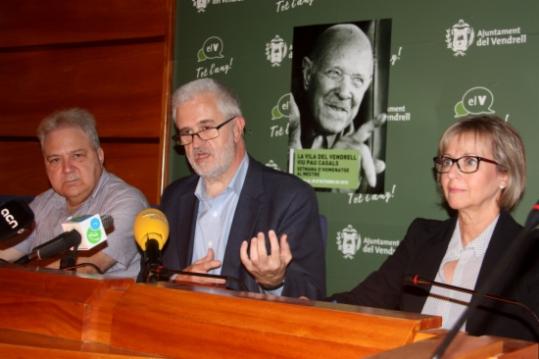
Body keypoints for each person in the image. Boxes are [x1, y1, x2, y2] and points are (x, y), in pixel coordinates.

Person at [328, 115, 539, 341]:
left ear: (504, 176)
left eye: (469, 161)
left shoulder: (529, 255)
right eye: (447, 161)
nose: (451, 173)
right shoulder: (422, 237)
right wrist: (312, 307)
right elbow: (365, 300)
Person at [160, 78, 325, 299]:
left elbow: (312, 293)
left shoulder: (289, 197)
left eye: (206, 128)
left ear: (237, 129)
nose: (196, 143)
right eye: (186, 133)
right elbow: (151, 277)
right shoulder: (174, 198)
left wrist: (275, 282)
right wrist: (175, 282)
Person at [0, 108, 148, 277]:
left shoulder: (127, 202)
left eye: (77, 156)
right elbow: (5, 255)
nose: (67, 169)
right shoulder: (43, 203)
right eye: (55, 160)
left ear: (99, 156)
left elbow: (85, 268)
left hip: (109, 301)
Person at [288, 23, 386, 189]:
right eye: (335, 73)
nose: (344, 92)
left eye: (358, 80)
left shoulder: (364, 166)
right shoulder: (282, 120)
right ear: (307, 74)